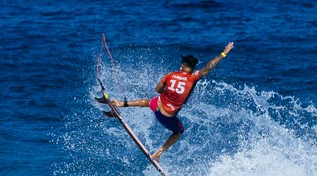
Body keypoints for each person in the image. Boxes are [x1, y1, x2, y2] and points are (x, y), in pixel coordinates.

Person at [99, 42, 234, 162]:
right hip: (166, 116)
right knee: (179, 132)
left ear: (182, 66)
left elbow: (158, 89)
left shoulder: (170, 75)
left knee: (148, 101)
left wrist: (168, 92)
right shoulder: (193, 77)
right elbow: (209, 67)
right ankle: (158, 154)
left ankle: (121, 104)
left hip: (157, 106)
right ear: (192, 68)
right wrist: (223, 53)